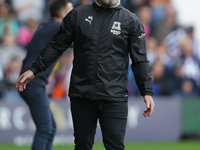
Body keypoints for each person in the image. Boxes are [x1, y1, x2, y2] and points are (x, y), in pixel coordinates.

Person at [16, 0, 155, 150]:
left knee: (115, 147)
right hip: (82, 94)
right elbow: (56, 45)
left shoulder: (131, 21)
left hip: (114, 97)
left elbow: (140, 60)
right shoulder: (78, 14)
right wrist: (34, 69)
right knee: (82, 147)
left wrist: (146, 91)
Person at [17, 0, 73, 150]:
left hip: (33, 83)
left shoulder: (46, 25)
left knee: (50, 128)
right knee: (45, 129)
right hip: (33, 83)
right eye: (71, 10)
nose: (74, 14)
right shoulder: (56, 27)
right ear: (63, 14)